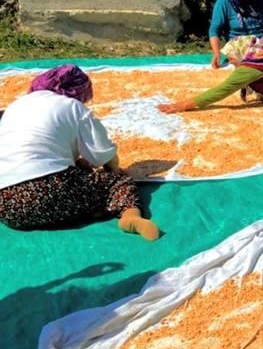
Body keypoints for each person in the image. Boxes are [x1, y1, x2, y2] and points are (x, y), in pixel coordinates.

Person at [0, 65, 160, 240]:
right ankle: (130, 216)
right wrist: (110, 174)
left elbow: (37, 152)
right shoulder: (71, 105)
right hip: (50, 191)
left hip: (8, 208)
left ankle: (85, 210)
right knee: (117, 181)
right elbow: (104, 155)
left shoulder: (16, 106)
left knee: (73, 181)